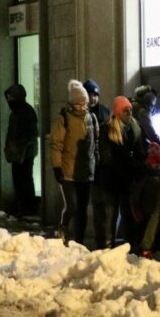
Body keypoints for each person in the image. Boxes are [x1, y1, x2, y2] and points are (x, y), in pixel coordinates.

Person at [50, 80, 98, 246]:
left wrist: (95, 162)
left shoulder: (91, 118)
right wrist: (57, 167)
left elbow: (95, 143)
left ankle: (79, 240)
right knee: (72, 206)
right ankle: (62, 230)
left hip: (86, 171)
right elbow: (56, 145)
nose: (82, 107)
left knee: (83, 209)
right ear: (72, 103)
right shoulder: (63, 118)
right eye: (78, 104)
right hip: (68, 171)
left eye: (84, 103)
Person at [99, 96, 145, 253]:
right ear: (118, 112)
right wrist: (126, 163)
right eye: (126, 110)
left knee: (128, 215)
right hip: (112, 179)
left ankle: (131, 247)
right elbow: (106, 156)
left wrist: (138, 165)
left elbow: (140, 152)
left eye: (131, 110)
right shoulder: (107, 128)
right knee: (110, 215)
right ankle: (107, 247)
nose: (130, 113)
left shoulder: (135, 127)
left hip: (127, 179)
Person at [84, 80, 113, 249]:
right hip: (89, 167)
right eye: (90, 94)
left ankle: (106, 239)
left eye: (95, 95)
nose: (93, 98)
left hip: (103, 168)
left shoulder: (104, 112)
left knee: (105, 205)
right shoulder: (82, 113)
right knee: (95, 205)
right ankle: (99, 239)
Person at [5, 83, 39, 217]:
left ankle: (28, 207)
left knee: (24, 180)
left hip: (25, 152)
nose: (9, 100)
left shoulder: (26, 111)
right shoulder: (17, 112)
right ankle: (23, 207)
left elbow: (31, 133)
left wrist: (20, 147)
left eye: (11, 97)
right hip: (18, 152)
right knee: (19, 180)